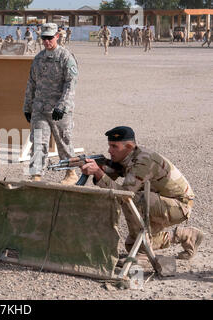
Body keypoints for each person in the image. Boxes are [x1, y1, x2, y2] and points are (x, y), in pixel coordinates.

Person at [80, 126, 204, 260]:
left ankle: (143, 255)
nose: (109, 150)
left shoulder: (143, 161)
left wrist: (98, 173)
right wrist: (101, 168)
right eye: (109, 146)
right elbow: (115, 175)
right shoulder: (130, 156)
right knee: (132, 245)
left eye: (114, 146)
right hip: (161, 201)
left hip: (179, 205)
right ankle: (185, 235)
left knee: (131, 200)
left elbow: (123, 195)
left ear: (128, 146)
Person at [23, 23, 79, 184]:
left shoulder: (66, 57)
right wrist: (27, 107)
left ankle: (70, 173)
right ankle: (36, 175)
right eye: (44, 38)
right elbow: (31, 84)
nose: (47, 41)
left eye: (50, 38)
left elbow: (71, 84)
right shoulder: (38, 58)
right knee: (38, 142)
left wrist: (62, 106)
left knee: (63, 142)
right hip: (39, 109)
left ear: (57, 36)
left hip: (59, 111)